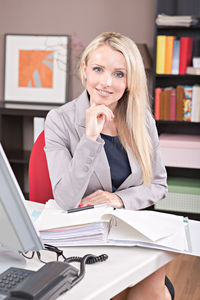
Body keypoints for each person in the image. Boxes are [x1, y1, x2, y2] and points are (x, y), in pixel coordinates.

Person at [44, 32, 174, 300]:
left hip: (133, 230)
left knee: (153, 279)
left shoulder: (143, 121)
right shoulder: (60, 121)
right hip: (87, 237)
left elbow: (159, 185)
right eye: (98, 69)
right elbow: (66, 198)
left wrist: (118, 199)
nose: (106, 82)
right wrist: (90, 138)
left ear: (130, 80)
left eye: (118, 74)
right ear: (84, 70)